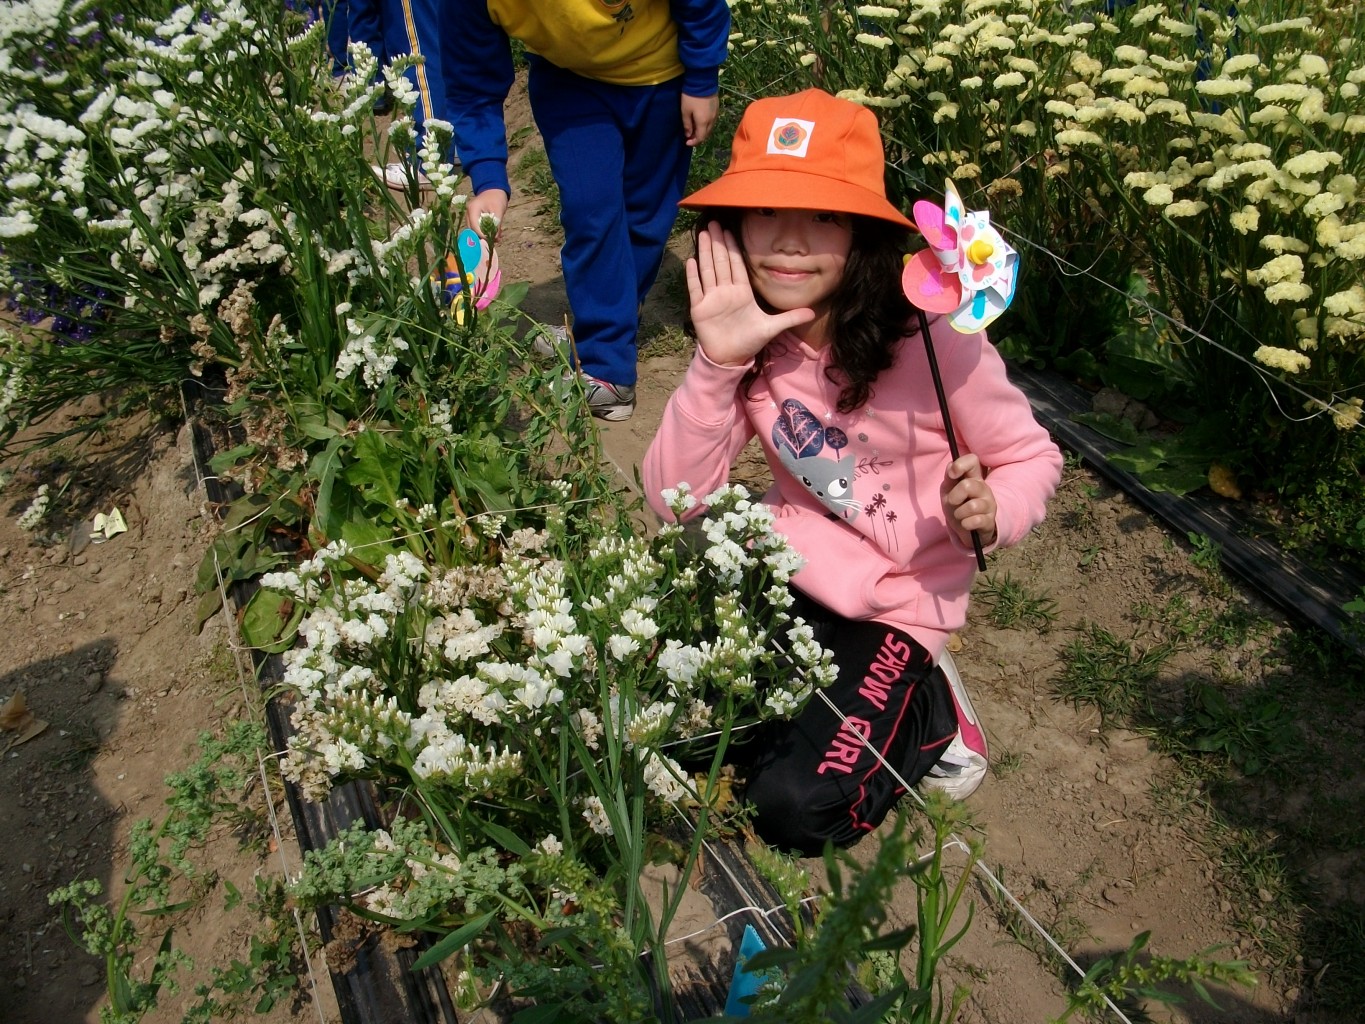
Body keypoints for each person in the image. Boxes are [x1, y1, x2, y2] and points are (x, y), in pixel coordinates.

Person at [642, 89, 1063, 855]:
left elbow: (1029, 456)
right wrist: (716, 362)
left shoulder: (933, 338)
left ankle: (930, 708)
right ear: (731, 227)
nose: (788, 241)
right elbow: (678, 502)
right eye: (764, 211)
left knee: (795, 811)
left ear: (863, 233)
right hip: (786, 569)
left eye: (822, 216)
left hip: (901, 602)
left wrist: (993, 509)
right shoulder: (752, 342)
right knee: (666, 735)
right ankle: (841, 697)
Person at [446, 1, 731, 421]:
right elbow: (471, 81)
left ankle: (608, 321)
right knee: (591, 213)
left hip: (662, 77)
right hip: (570, 82)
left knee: (646, 219)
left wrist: (702, 78)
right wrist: (488, 179)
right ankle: (606, 366)